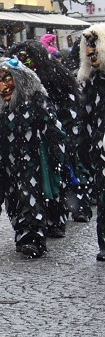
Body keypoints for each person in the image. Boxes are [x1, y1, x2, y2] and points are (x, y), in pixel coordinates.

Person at [0, 59, 64, 259]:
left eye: (7, 79)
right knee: (13, 199)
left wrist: (53, 156)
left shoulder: (35, 100)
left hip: (30, 161)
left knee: (31, 198)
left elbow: (52, 128)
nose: (2, 86)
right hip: (4, 163)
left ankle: (34, 238)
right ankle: (22, 234)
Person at [10, 40, 84, 229]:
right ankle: (32, 223)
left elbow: (69, 103)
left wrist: (61, 129)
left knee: (56, 174)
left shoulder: (55, 75)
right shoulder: (14, 81)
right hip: (27, 137)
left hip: (52, 134)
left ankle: (59, 215)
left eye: (27, 59)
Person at [76, 25, 105, 261]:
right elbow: (84, 119)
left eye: (96, 49)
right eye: (88, 49)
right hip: (100, 149)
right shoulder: (90, 83)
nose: (91, 54)